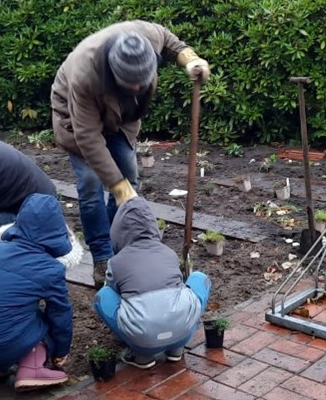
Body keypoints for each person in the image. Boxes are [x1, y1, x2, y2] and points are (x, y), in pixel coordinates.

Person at [50, 20, 210, 284]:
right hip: (76, 118)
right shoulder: (85, 75)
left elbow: (170, 41)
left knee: (130, 177)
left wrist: (190, 59)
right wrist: (119, 188)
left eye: (141, 83)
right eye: (130, 84)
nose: (137, 88)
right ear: (114, 73)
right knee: (91, 185)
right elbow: (88, 137)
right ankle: (102, 257)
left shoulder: (146, 37)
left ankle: (121, 245)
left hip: (121, 117)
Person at [0, 193, 81, 392]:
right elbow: (60, 314)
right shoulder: (51, 269)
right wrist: (60, 350)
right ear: (57, 230)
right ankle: (31, 369)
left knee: (4, 309)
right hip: (1, 343)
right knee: (41, 318)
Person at [94, 196, 210, 369]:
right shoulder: (168, 252)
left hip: (143, 339)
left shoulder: (117, 262)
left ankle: (141, 356)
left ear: (118, 231)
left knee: (103, 296)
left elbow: (113, 291)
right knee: (199, 278)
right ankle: (176, 348)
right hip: (184, 332)